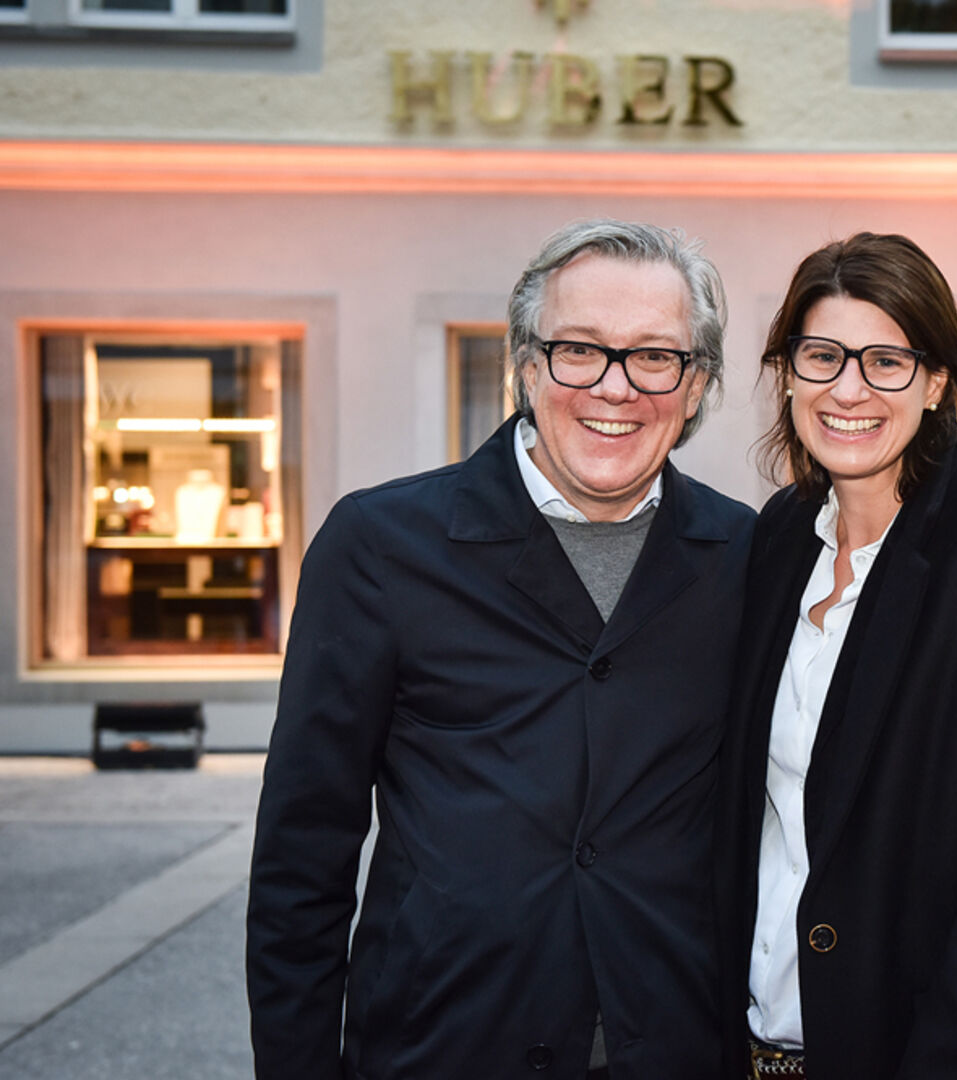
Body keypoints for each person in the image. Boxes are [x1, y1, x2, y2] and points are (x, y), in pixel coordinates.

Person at [246, 220, 754, 1080]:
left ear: (696, 382)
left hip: (676, 1048)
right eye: (578, 349)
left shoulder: (746, 557)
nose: (615, 386)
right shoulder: (382, 546)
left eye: (654, 356)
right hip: (440, 1048)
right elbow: (303, 853)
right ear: (524, 364)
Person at [716, 233, 957, 1079]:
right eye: (822, 356)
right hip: (759, 1045)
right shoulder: (778, 539)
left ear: (936, 383)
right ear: (788, 374)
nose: (848, 388)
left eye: (887, 361)